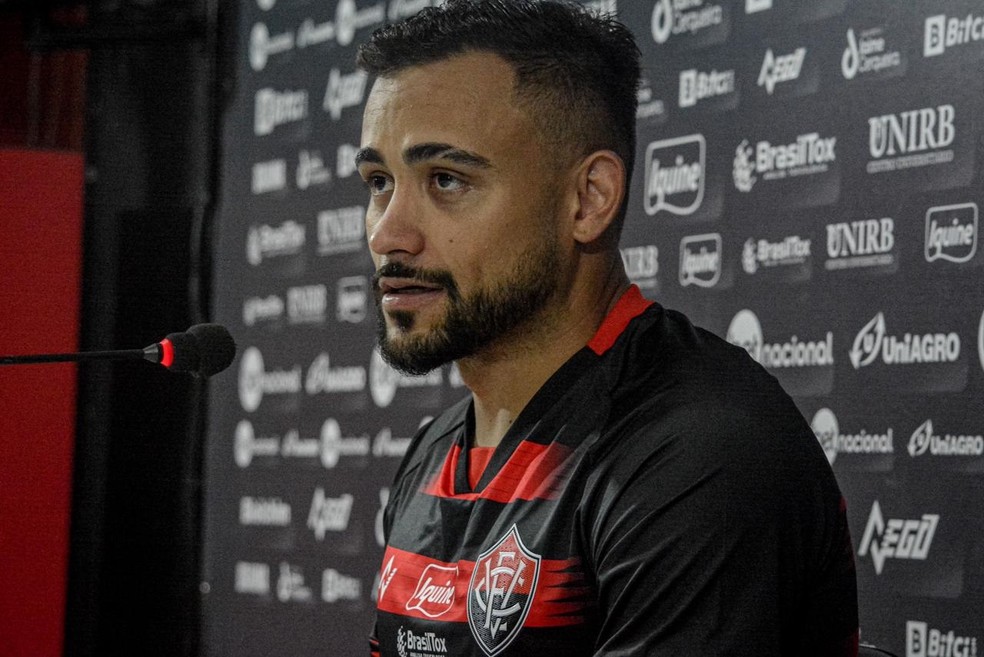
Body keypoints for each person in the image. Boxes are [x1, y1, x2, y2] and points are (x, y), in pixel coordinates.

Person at [354, 1, 858, 655]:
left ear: (589, 198)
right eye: (379, 182)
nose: (387, 234)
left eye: (446, 180)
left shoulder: (699, 451)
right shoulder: (436, 448)